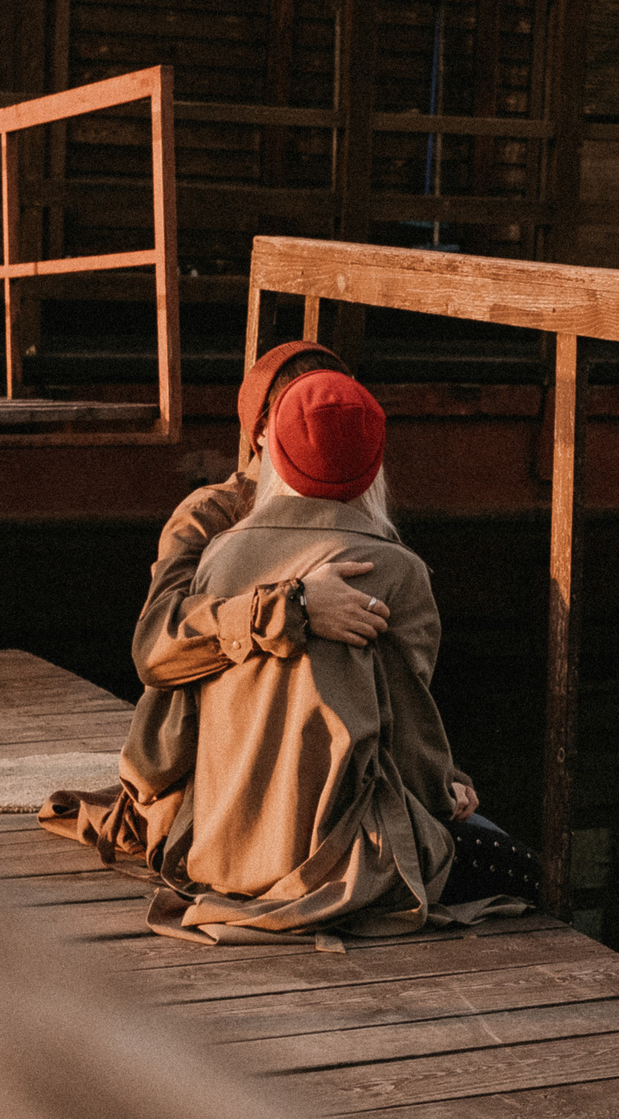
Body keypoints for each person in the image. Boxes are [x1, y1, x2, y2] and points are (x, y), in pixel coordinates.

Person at [46, 355, 520, 945]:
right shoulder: (388, 568)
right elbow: (406, 726)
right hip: (334, 861)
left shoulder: (220, 553)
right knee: (514, 866)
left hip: (217, 840)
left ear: (275, 437)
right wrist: (289, 607)